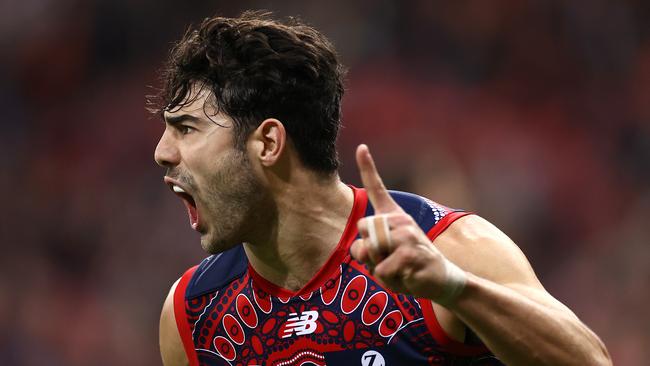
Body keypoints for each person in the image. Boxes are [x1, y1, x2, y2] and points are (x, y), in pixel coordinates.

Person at [153, 11, 611, 366]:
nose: (162, 152)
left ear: (268, 143)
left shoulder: (447, 249)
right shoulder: (193, 316)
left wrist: (455, 290)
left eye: (187, 128)